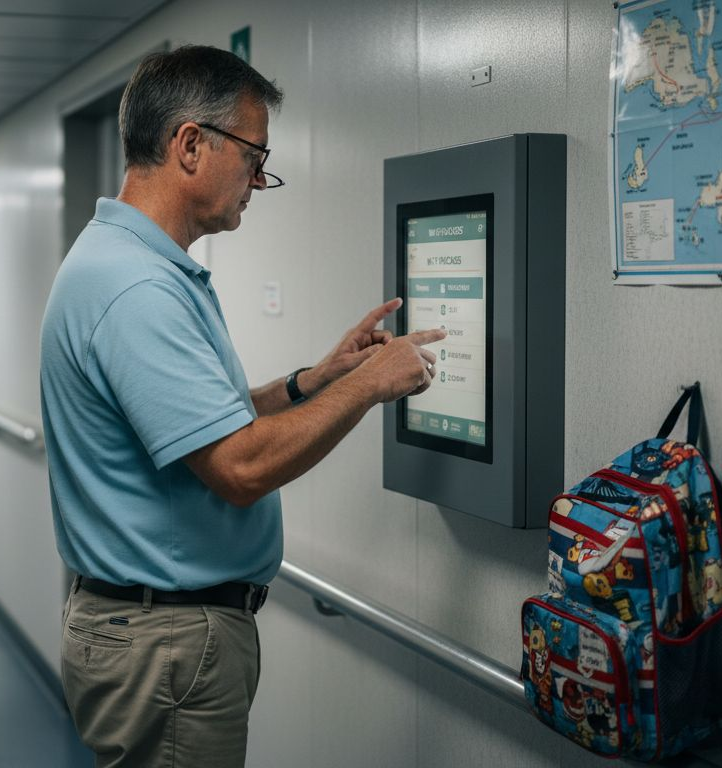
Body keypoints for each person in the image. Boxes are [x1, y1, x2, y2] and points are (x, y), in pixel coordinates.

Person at [39, 45, 445, 767]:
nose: (260, 179)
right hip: (165, 641)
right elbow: (238, 468)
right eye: (254, 155)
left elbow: (193, 422)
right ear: (190, 144)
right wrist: (370, 385)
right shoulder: (136, 287)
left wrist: (314, 381)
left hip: (155, 632)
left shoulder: (124, 264)